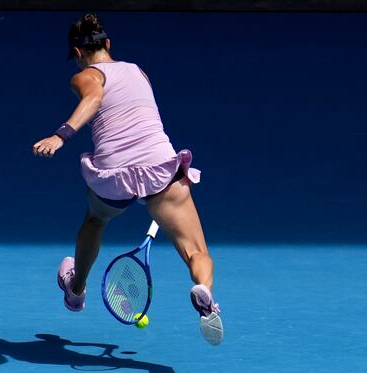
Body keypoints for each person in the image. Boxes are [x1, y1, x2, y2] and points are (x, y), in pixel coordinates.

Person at [32, 14, 223, 345]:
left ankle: (76, 290)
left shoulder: (85, 76)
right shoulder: (139, 71)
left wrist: (61, 136)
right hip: (157, 164)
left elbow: (94, 98)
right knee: (196, 251)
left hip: (114, 172)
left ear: (77, 54)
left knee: (95, 220)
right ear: (108, 44)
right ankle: (205, 293)